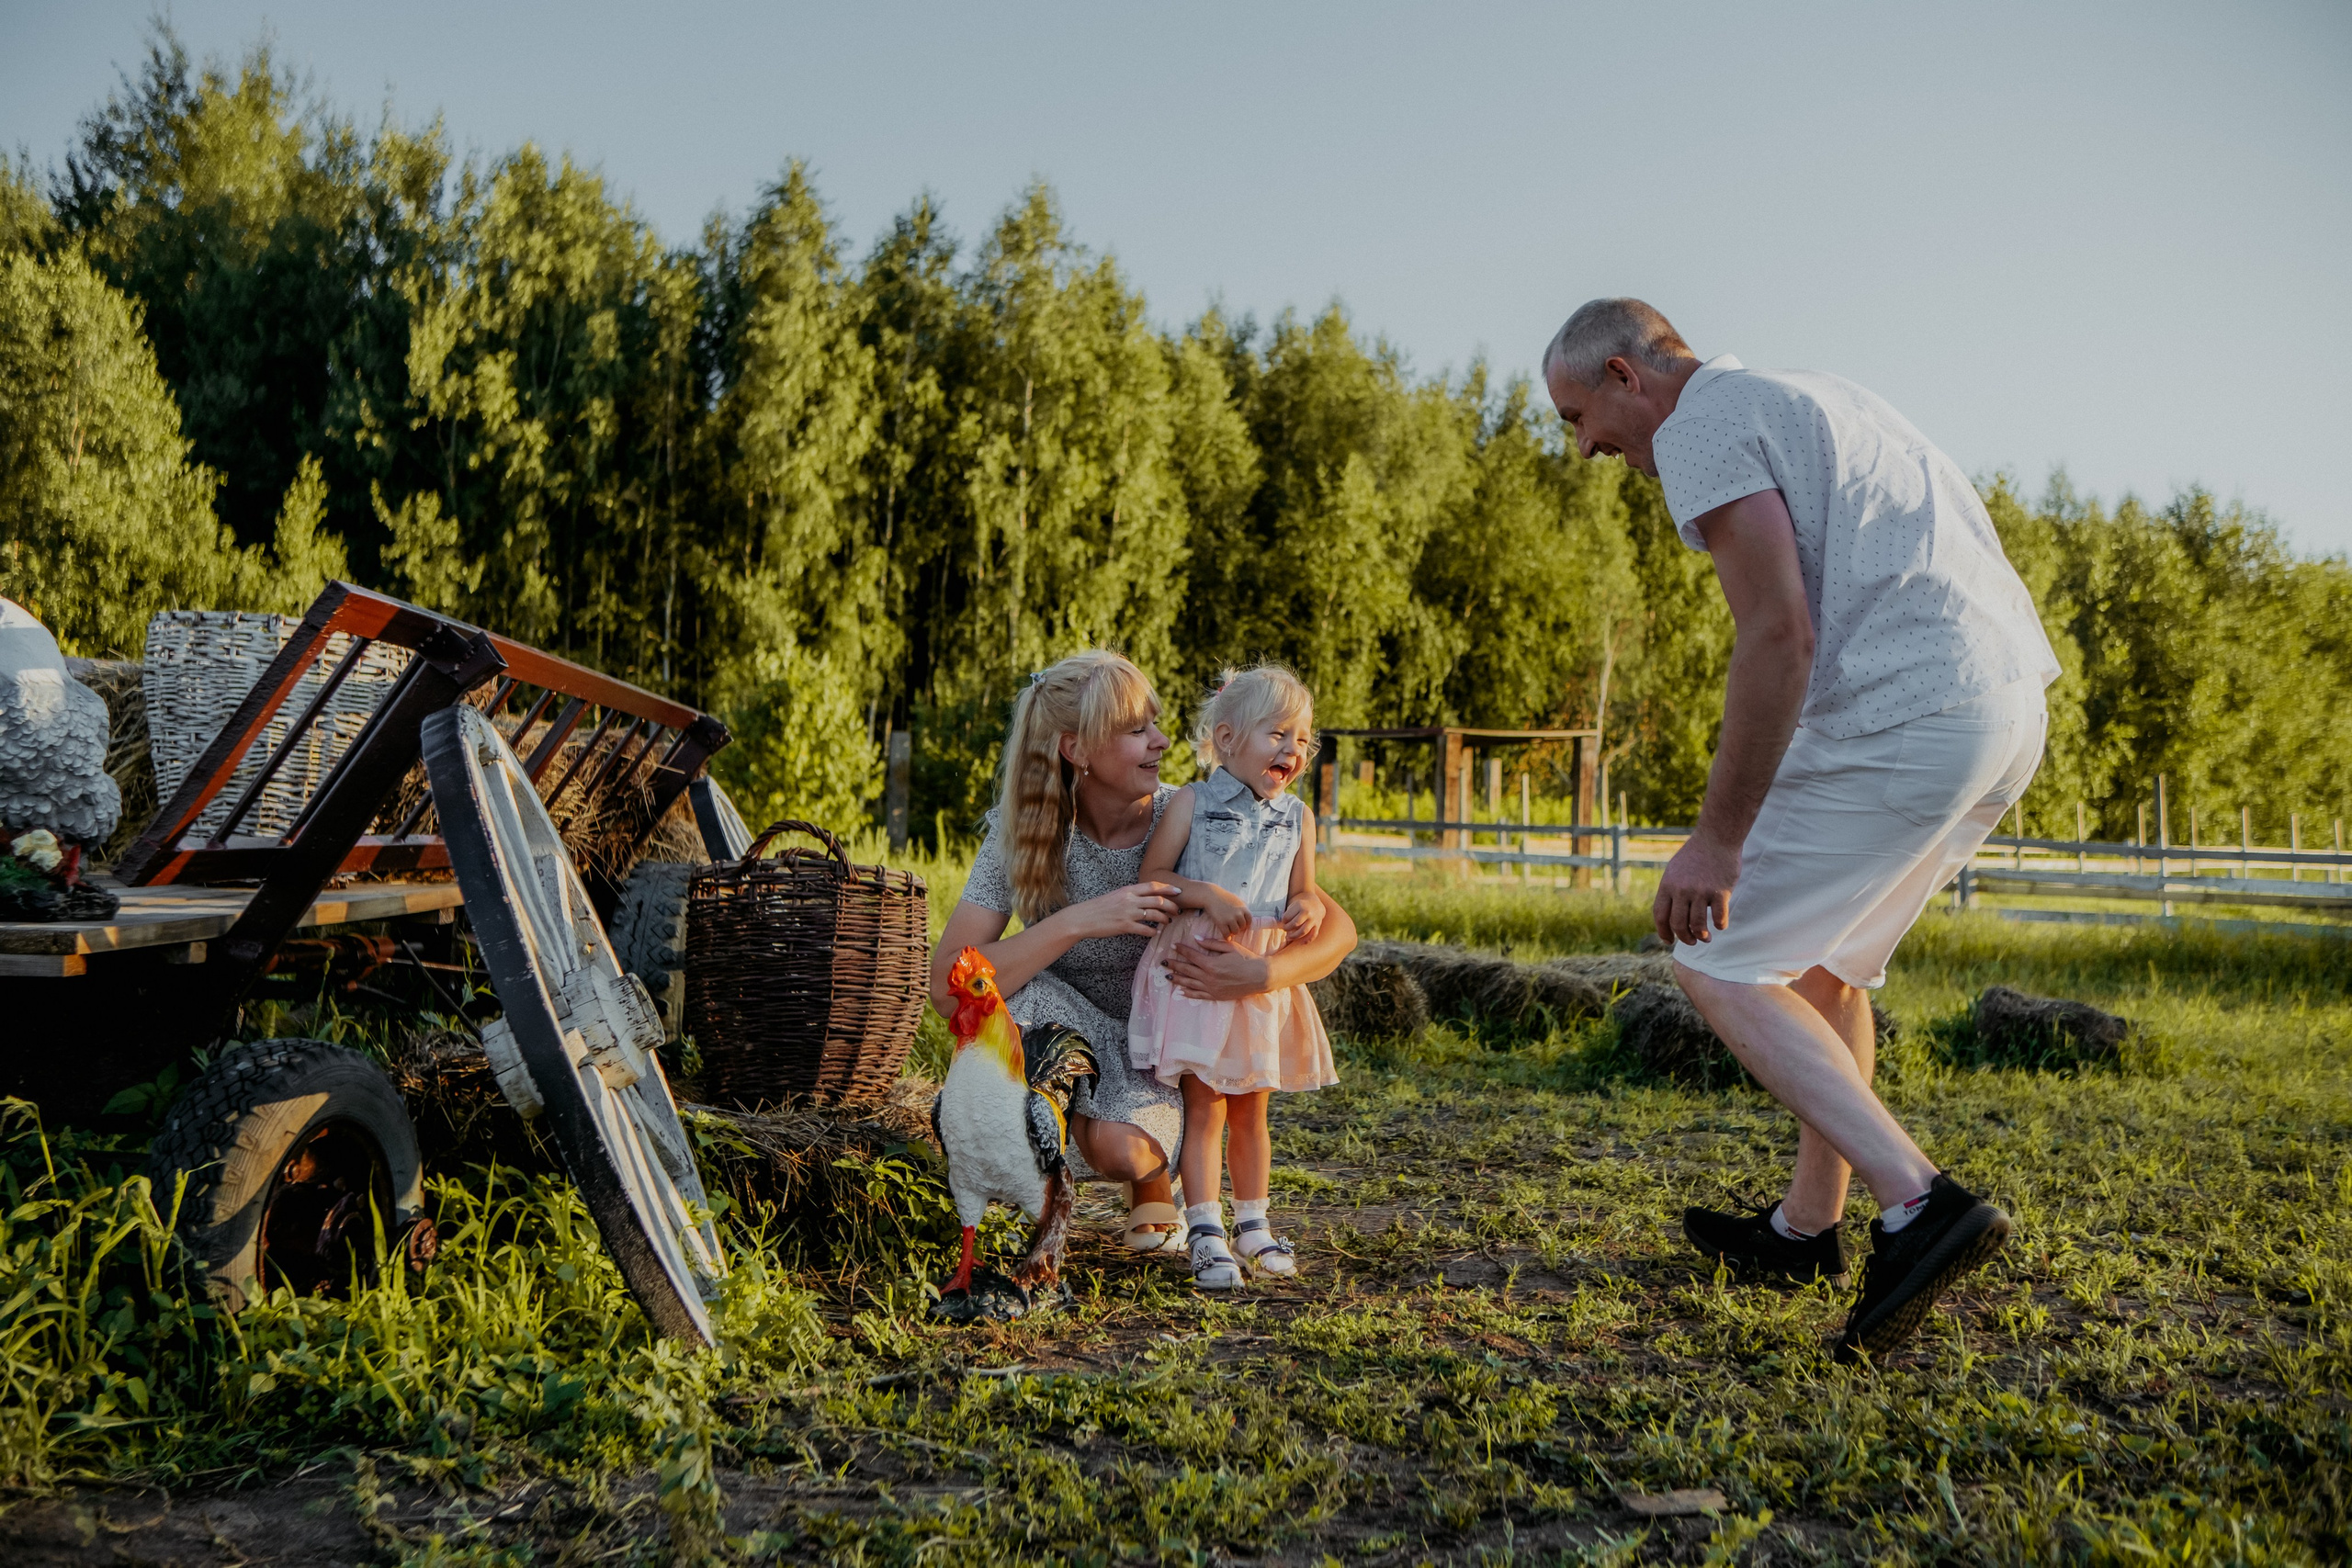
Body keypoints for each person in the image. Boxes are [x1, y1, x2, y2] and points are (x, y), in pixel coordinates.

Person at [1542, 299, 2059, 1359]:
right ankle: (1802, 1231)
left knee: (1717, 956)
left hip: (1905, 710)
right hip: (1999, 707)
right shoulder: (1821, 396)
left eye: (1575, 414)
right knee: (1825, 968)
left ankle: (1918, 1204)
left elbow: (1776, 633)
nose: (1584, 446)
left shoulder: (1701, 426)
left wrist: (1716, 841)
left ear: (1625, 376)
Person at [930, 649, 1359, 1255]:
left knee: (1120, 1146)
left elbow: (1339, 930)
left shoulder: (1192, 814)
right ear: (1076, 750)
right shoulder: (1024, 831)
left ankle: (1152, 1176)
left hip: (1152, 1041)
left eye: (1155, 723)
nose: (1161, 741)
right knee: (1018, 1010)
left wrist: (1258, 974)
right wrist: (1079, 921)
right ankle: (1040, 1173)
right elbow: (949, 985)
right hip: (1062, 1016)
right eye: (1137, 730)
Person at [1129, 664, 1340, 1289]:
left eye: (1302, 740)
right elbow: (1153, 877)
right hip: (1202, 965)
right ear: (1225, 737)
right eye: (1277, 734)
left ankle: (1254, 1222)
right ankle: (1204, 1228)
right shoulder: (1190, 803)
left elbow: (1306, 892)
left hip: (1258, 976)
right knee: (1208, 1105)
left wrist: (1309, 905)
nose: (1292, 750)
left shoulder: (1299, 817)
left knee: (1253, 1106)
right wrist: (1205, 894)